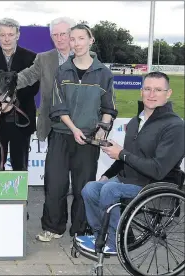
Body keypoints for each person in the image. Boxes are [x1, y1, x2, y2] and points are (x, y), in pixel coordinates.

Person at [78, 71, 185, 254]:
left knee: (110, 190)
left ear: (168, 93)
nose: (151, 94)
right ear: (141, 91)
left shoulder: (175, 126)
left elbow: (157, 169)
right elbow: (126, 156)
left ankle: (116, 241)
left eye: (158, 90)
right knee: (90, 188)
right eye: (147, 89)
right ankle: (100, 236)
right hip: (130, 180)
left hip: (155, 184)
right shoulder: (136, 121)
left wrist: (122, 154)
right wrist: (107, 175)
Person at [37, 24, 118, 242]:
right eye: (72, 39)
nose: (76, 43)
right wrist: (73, 129)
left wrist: (102, 128)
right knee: (55, 184)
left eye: (81, 38)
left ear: (91, 40)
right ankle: (53, 228)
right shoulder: (62, 71)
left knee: (84, 187)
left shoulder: (104, 73)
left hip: (89, 139)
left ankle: (80, 230)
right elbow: (58, 105)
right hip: (62, 135)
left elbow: (108, 108)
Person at [0, 18, 40, 171]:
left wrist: (9, 102)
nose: (7, 39)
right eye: (3, 35)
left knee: (20, 164)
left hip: (21, 119)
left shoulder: (32, 58)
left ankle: (19, 195)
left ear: (18, 35)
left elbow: (33, 87)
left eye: (10, 34)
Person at [14, 17, 76, 142]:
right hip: (54, 124)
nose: (59, 38)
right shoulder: (44, 58)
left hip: (81, 123)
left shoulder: (87, 58)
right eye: (55, 35)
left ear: (72, 34)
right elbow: (28, 76)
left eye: (63, 34)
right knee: (54, 162)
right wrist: (5, 83)